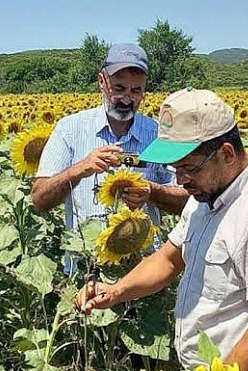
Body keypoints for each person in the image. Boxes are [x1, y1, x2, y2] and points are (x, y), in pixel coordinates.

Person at [74, 88, 248, 371]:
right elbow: (169, 259)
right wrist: (116, 290)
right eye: (176, 168)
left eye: (189, 167)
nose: (180, 179)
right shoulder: (205, 196)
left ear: (226, 153)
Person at [30, 43, 188, 274]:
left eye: (135, 91)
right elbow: (39, 199)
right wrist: (79, 170)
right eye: (119, 88)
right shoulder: (70, 129)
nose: (126, 99)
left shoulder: (158, 136)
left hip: (144, 270)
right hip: (86, 267)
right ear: (102, 82)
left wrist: (152, 192)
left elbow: (188, 199)